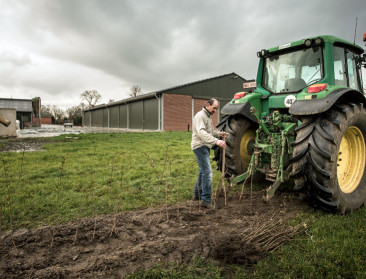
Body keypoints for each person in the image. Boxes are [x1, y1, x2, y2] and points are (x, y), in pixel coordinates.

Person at [191, 98, 227, 209]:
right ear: (208, 105)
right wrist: (216, 141)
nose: (215, 111)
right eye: (214, 108)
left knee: (203, 171)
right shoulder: (200, 116)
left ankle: (197, 195)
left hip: (205, 146)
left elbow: (210, 132)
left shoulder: (207, 116)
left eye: (217, 109)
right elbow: (201, 133)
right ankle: (206, 200)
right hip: (199, 146)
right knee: (207, 172)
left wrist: (220, 134)